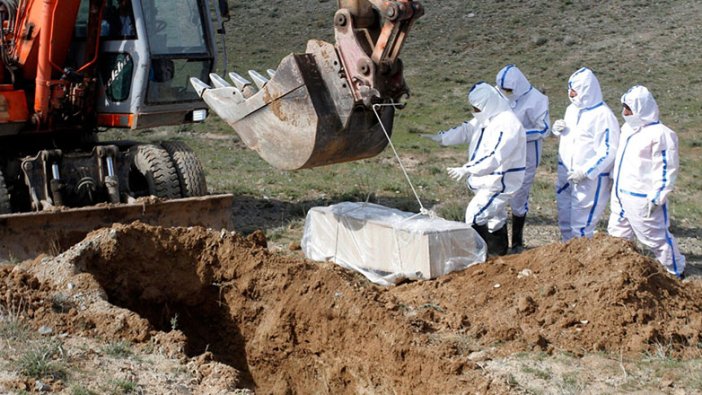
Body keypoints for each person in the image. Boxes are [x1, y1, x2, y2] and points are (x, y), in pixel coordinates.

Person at [422, 82, 526, 256]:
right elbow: (466, 130)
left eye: (477, 109)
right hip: (487, 179)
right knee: (494, 218)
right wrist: (441, 138)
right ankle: (498, 253)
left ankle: (479, 256)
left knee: (475, 215)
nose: (474, 112)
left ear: (489, 104)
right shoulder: (487, 116)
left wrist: (468, 169)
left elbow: (495, 155)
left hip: (499, 182)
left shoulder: (508, 124)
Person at [607, 85, 685, 278]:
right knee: (617, 234)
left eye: (629, 109)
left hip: (642, 198)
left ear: (642, 108)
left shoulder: (661, 134)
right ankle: (623, 270)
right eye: (624, 108)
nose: (625, 113)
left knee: (654, 238)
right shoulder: (628, 128)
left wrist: (658, 196)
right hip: (620, 193)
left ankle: (675, 270)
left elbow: (667, 169)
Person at [552, 67, 620, 241]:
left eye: (575, 91)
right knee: (565, 217)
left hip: (589, 180)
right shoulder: (572, 110)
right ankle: (566, 256)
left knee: (581, 224)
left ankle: (580, 261)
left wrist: (585, 171)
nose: (571, 94)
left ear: (586, 90)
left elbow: (608, 150)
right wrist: (559, 129)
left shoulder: (603, 115)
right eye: (570, 90)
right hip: (567, 174)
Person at [494, 64, 550, 253]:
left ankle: (517, 242)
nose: (505, 93)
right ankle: (499, 245)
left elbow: (544, 128)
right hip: (502, 153)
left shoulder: (536, 100)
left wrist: (518, 133)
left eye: (508, 90)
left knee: (518, 196)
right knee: (497, 193)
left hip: (526, 154)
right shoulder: (498, 95)